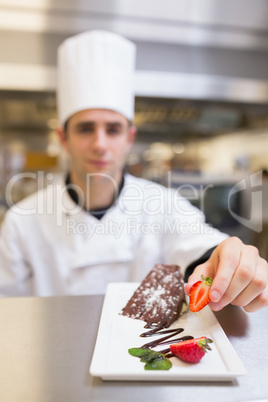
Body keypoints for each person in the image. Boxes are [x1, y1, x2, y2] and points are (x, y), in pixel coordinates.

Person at [0, 30, 267, 313]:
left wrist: (229, 259)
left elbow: (202, 248)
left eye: (113, 129)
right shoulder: (23, 223)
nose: (100, 144)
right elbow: (8, 316)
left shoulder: (163, 205)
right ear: (63, 138)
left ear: (129, 137)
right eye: (85, 128)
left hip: (147, 354)